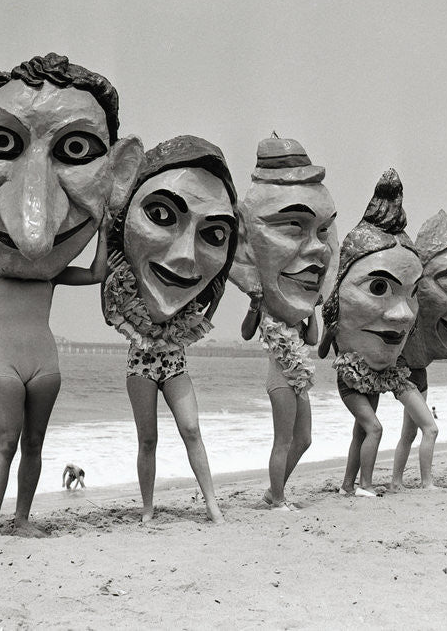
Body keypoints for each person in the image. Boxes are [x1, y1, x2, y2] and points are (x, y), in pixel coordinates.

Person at [0, 53, 142, 537]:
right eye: (2, 142)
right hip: (8, 365)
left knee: (34, 446)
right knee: (5, 443)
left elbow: (93, 274)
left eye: (75, 149)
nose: (33, 238)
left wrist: (107, 225)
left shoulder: (47, 277)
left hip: (46, 365)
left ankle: (23, 518)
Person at [103, 136, 240, 524]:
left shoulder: (194, 291)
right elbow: (109, 309)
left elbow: (209, 302)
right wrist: (110, 261)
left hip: (175, 363)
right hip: (140, 364)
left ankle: (213, 504)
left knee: (192, 429)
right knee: (148, 440)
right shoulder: (126, 280)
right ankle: (147, 510)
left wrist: (220, 281)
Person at [230, 136, 338, 511]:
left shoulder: (300, 302)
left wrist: (315, 309)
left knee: (304, 438)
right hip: (279, 376)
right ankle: (276, 498)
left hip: (299, 373)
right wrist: (254, 306)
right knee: (283, 439)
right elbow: (246, 334)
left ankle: (276, 489)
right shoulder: (267, 297)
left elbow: (311, 341)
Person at [317, 170, 422, 497]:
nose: (403, 313)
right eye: (378, 287)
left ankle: (348, 485)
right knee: (373, 427)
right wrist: (329, 331)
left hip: (376, 375)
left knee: (361, 432)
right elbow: (323, 351)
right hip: (350, 376)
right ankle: (364, 485)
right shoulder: (336, 306)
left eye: (412, 293)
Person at [389, 210, 447, 492]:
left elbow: (446, 338)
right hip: (403, 374)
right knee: (431, 429)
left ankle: (395, 482)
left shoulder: (432, 316)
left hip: (420, 375)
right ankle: (427, 481)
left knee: (410, 432)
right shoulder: (411, 302)